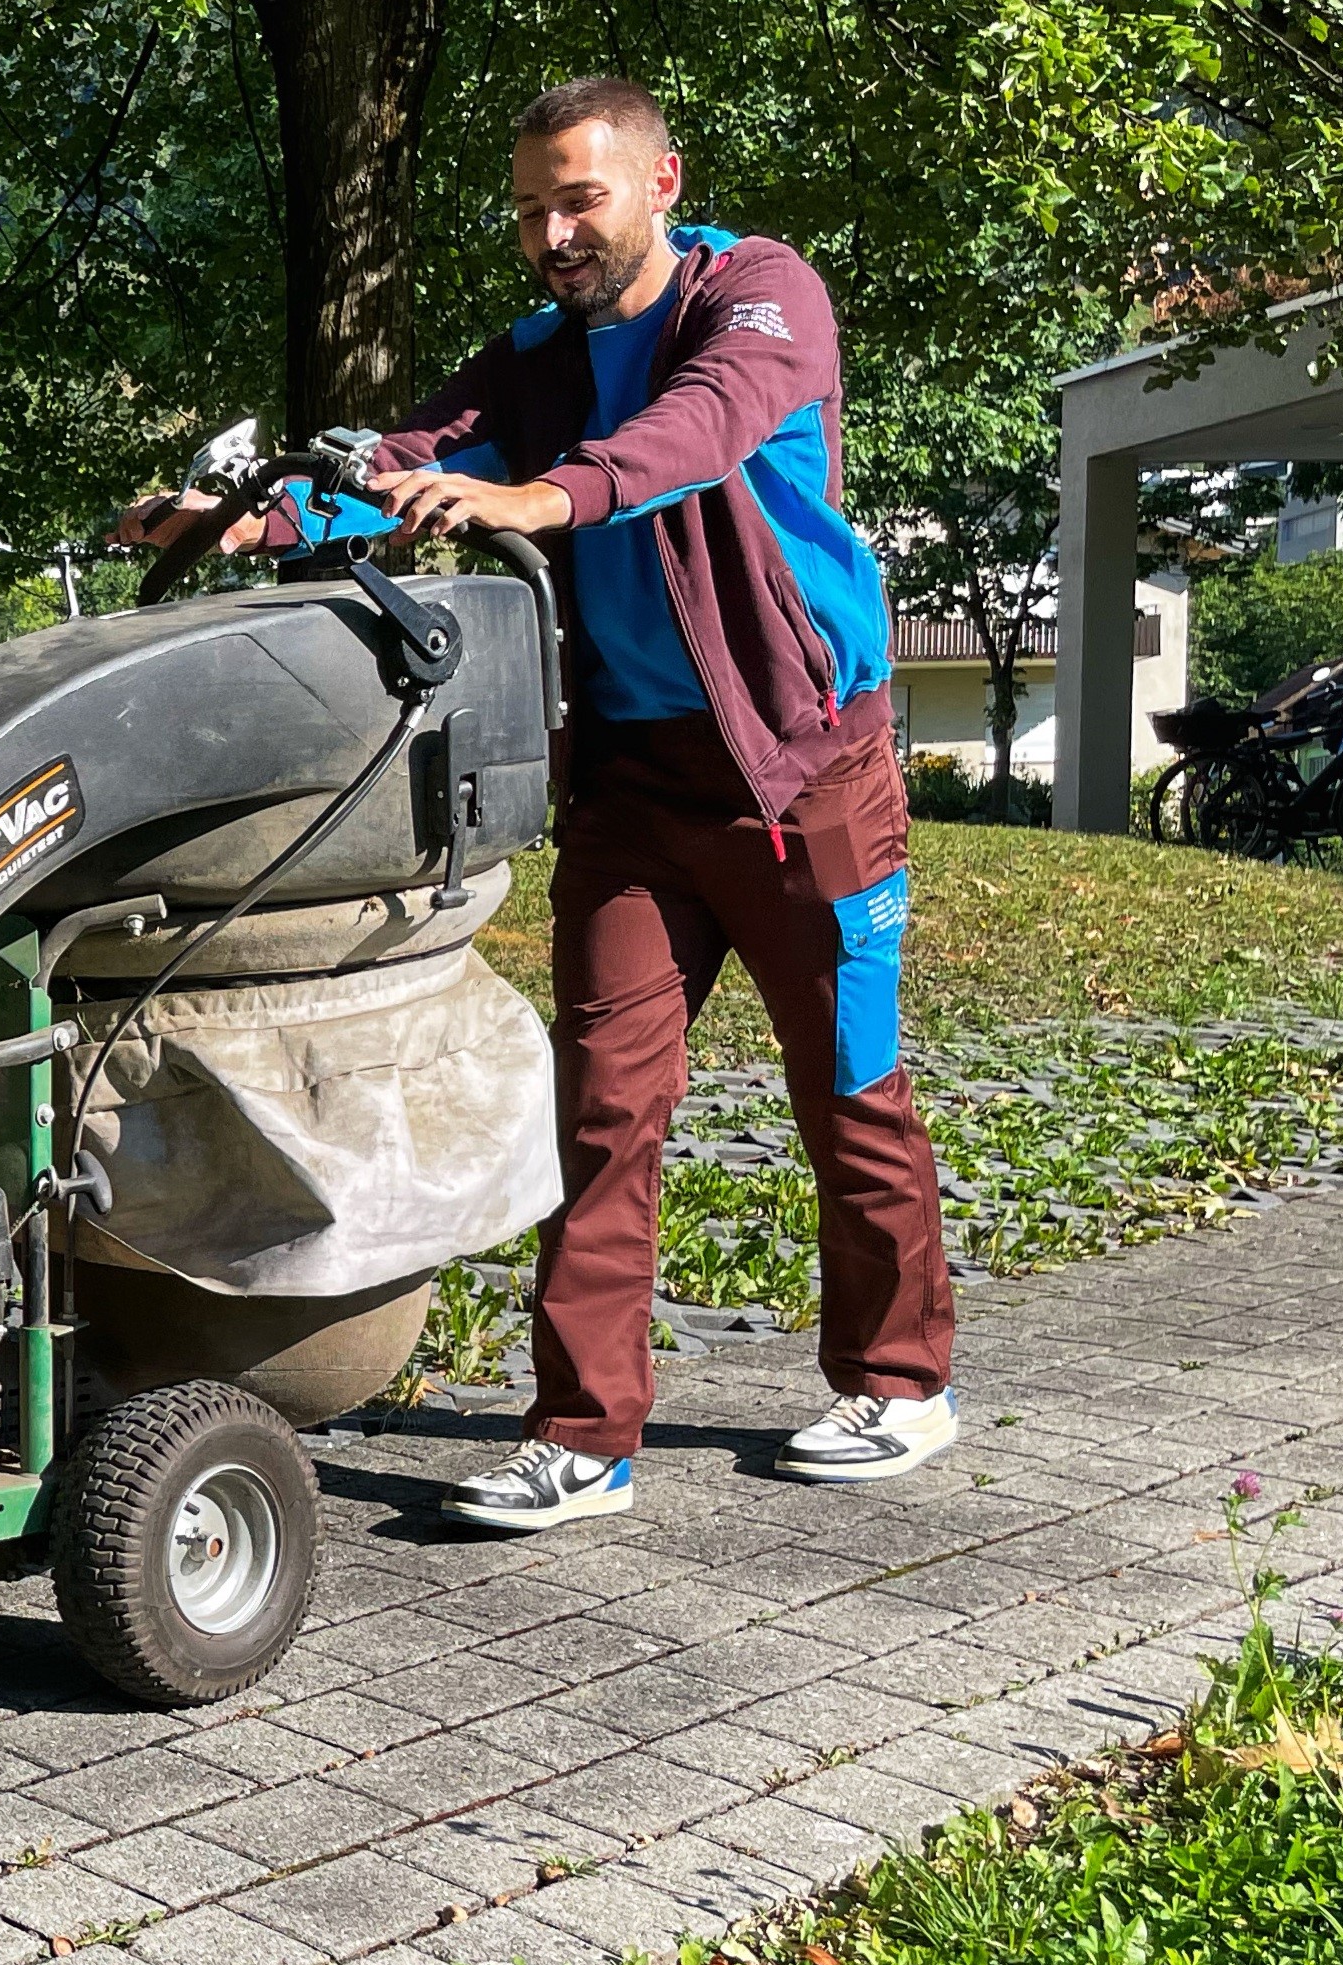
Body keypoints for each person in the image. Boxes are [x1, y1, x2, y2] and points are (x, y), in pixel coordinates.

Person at [121, 75, 957, 1530]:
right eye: (528, 209)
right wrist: (250, 518)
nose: (552, 231)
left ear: (656, 181)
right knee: (603, 1111)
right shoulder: (533, 355)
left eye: (577, 197)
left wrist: (542, 497)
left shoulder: (757, 298)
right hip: (631, 779)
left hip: (802, 767)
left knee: (850, 1084)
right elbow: (411, 460)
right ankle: (582, 1434)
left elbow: (697, 434)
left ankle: (899, 1379)